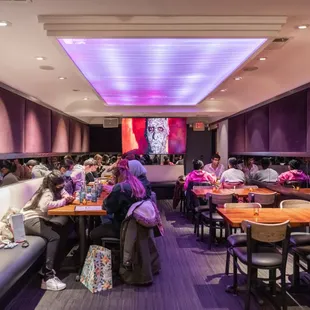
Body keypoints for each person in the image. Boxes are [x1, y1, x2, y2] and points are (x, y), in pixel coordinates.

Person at [20, 171, 74, 291]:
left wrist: (66, 196)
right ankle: (47, 278)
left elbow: (63, 192)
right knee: (54, 237)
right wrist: (64, 201)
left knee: (63, 230)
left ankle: (46, 269)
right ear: (53, 184)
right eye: (60, 185)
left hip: (36, 218)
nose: (62, 186)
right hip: (29, 220)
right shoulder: (47, 192)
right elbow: (44, 206)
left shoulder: (52, 188)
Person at [90, 162, 146, 243]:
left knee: (93, 233)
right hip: (135, 225)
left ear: (117, 176)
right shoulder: (136, 184)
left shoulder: (120, 187)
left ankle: (106, 252)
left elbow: (107, 207)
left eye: (114, 177)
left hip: (121, 227)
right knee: (103, 220)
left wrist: (111, 193)